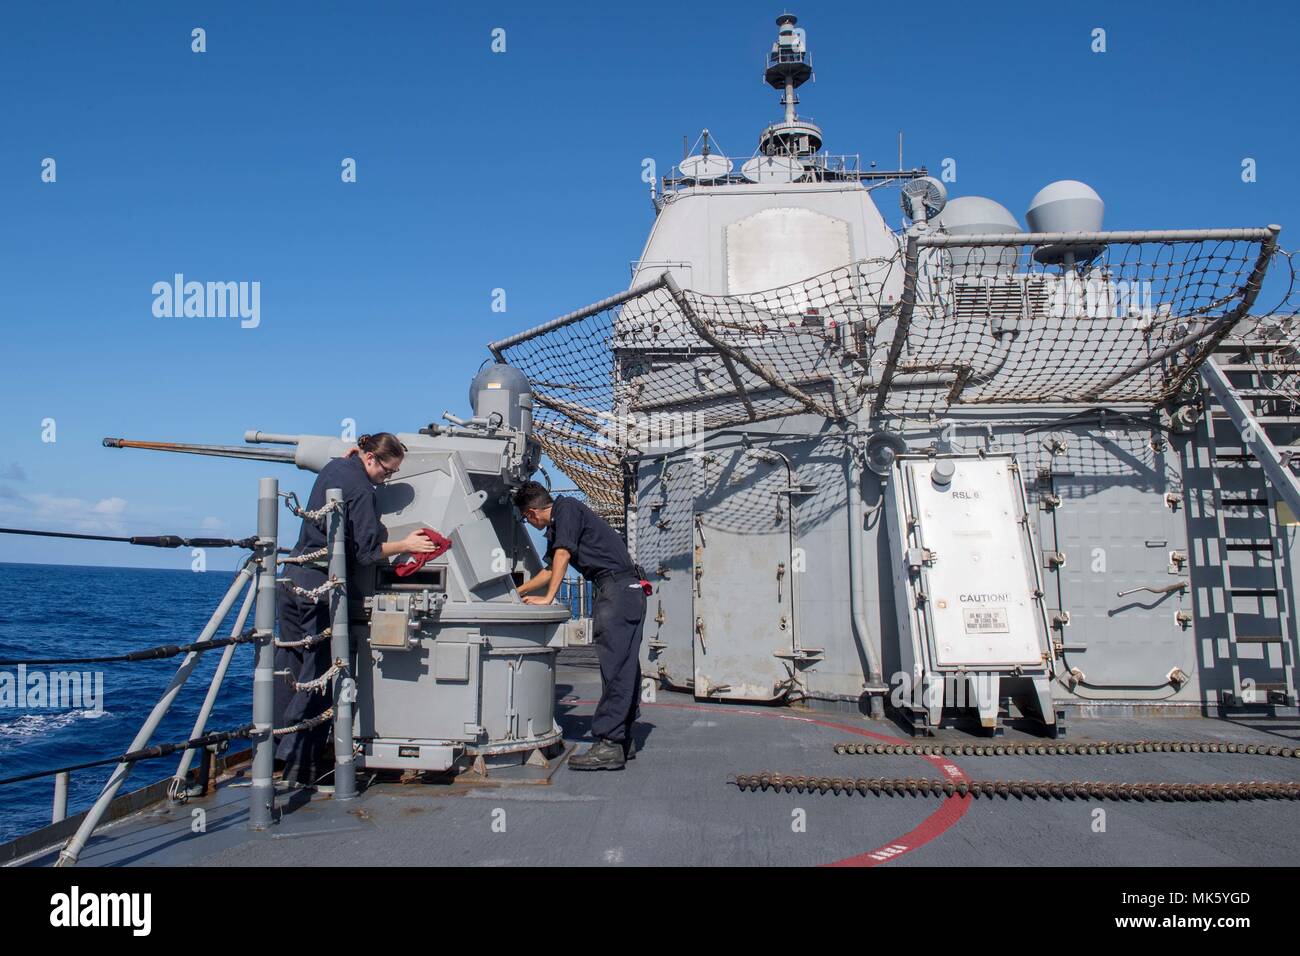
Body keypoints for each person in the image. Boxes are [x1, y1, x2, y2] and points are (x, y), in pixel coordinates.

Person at [275, 432, 436, 789]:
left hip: (292, 580)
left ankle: (275, 754)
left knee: (291, 670)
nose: (387, 478)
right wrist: (406, 544)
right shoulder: (363, 491)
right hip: (319, 588)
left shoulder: (336, 467)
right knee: (320, 676)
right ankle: (300, 767)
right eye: (388, 471)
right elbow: (366, 553)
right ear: (370, 460)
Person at [514, 481, 646, 771]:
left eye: (526, 518)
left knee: (616, 668)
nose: (529, 522)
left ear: (532, 512)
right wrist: (518, 593)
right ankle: (622, 739)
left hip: (617, 590)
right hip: (625, 590)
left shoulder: (567, 509)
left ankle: (610, 744)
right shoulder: (564, 520)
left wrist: (549, 598)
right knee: (624, 666)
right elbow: (550, 569)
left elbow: (562, 556)